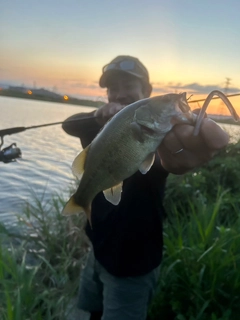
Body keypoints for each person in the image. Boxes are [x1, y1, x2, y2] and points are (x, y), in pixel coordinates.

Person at [62, 55, 229, 320]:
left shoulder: (157, 136)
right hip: (98, 250)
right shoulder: (99, 128)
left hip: (134, 263)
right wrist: (97, 117)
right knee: (92, 311)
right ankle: (81, 200)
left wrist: (184, 154)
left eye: (128, 86)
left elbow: (164, 162)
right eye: (113, 88)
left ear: (147, 93)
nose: (119, 93)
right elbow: (67, 124)